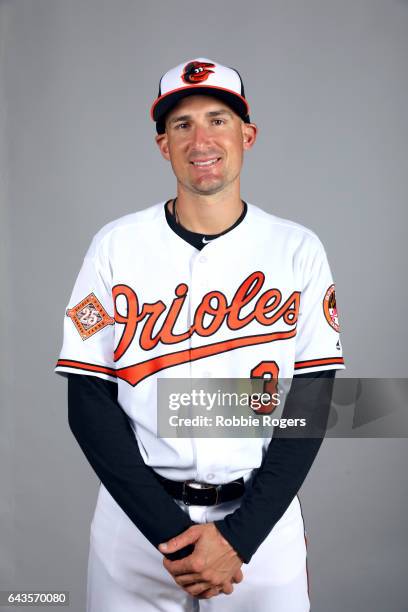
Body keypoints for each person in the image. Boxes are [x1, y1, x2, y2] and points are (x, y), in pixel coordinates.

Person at [55, 58, 345, 611]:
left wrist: (239, 539)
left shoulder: (297, 249)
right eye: (182, 125)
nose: (201, 139)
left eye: (217, 119)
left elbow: (312, 399)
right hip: (136, 528)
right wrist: (171, 535)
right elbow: (86, 401)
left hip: (261, 524)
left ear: (247, 135)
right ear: (163, 145)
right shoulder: (114, 247)